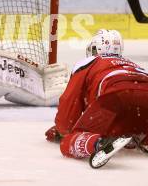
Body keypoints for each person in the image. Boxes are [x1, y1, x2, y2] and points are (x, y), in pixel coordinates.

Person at [45, 29, 148, 167]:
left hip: (114, 99)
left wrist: (63, 130)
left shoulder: (88, 62)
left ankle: (98, 143)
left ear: (95, 48)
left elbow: (69, 104)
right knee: (134, 125)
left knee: (68, 142)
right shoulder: (134, 65)